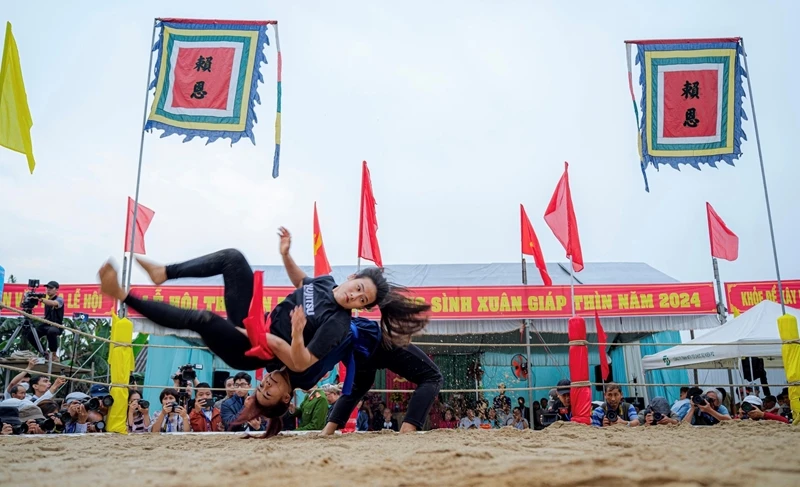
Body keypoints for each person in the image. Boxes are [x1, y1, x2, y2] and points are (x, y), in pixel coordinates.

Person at [98, 229, 429, 436]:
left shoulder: (337, 324)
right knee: (233, 259)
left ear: (362, 307)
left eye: (362, 300)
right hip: (257, 319)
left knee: (202, 319)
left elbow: (301, 362)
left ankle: (125, 296)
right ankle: (163, 272)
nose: (355, 297)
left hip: (253, 346)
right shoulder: (326, 283)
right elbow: (301, 281)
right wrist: (286, 254)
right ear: (352, 278)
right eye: (358, 288)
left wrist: (295, 334)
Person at [22, 281, 64, 362]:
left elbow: (53, 303)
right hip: (46, 324)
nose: (48, 289)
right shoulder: (46, 300)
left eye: (51, 288)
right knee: (30, 335)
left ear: (56, 290)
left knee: (51, 331)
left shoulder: (59, 299)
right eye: (47, 288)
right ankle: (45, 353)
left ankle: (54, 354)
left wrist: (41, 299)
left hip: (56, 325)